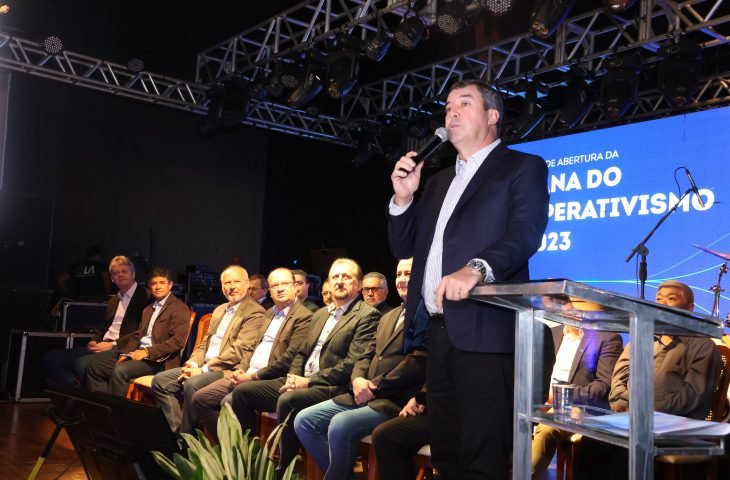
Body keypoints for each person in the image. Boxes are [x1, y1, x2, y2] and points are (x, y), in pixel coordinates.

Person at [388, 78, 549, 479]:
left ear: (492, 116)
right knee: (447, 458)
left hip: (486, 332)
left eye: (464, 104)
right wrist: (403, 198)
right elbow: (403, 245)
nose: (451, 113)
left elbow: (526, 233)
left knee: (482, 460)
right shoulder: (437, 181)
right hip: (438, 334)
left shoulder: (521, 167)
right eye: (447, 107)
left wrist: (477, 267)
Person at [229, 258, 380, 475]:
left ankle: (287, 470)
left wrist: (308, 381)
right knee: (243, 393)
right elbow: (301, 353)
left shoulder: (367, 315)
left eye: (346, 277)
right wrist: (293, 378)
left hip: (330, 386)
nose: (339, 281)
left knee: (288, 400)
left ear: (358, 284)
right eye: (335, 277)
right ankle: (249, 464)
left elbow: (352, 364)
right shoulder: (320, 314)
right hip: (301, 380)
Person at [574, 280, 722, 480]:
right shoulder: (642, 338)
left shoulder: (703, 346)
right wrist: (623, 403)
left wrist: (645, 412)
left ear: (689, 308)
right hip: (630, 418)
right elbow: (619, 376)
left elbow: (691, 396)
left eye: (671, 299)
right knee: (593, 440)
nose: (662, 303)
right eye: (659, 299)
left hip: (675, 425)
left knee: (628, 449)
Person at [294, 258, 424, 480]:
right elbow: (366, 355)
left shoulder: (428, 315)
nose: (402, 279)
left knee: (339, 424)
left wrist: (374, 386)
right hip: (362, 392)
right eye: (399, 274)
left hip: (394, 399)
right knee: (304, 420)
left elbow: (416, 362)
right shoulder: (389, 316)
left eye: (409, 274)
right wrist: (357, 380)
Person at [191, 267, 312, 439]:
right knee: (201, 398)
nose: (280, 289)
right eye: (275, 285)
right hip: (248, 374)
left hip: (272, 379)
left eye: (285, 284)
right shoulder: (269, 313)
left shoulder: (304, 317)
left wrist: (253, 376)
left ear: (294, 287)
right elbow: (252, 348)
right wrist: (241, 369)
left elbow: (289, 359)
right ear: (269, 291)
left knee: (229, 400)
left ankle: (245, 452)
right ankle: (225, 448)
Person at [150, 265, 265, 436]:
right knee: (160, 381)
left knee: (192, 384)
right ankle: (176, 434)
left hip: (225, 369)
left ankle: (188, 441)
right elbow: (205, 342)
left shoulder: (255, 312)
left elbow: (239, 350)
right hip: (203, 365)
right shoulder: (220, 309)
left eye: (236, 282)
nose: (232, 287)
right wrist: (192, 363)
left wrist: (203, 369)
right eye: (227, 283)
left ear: (247, 284)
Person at [531, 296, 623, 479]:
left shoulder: (607, 337)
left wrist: (561, 396)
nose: (569, 308)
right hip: (542, 401)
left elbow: (603, 386)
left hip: (579, 408)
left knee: (546, 429)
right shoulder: (553, 333)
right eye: (567, 304)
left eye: (576, 305)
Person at [43, 255, 150, 386]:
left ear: (133, 274)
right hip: (102, 345)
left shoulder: (145, 296)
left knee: (82, 364)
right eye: (116, 273)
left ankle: (86, 394)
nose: (120, 275)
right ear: (112, 278)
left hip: (122, 347)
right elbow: (104, 328)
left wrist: (112, 345)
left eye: (124, 271)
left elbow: (142, 331)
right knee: (52, 358)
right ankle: (75, 387)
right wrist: (94, 340)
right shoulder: (113, 300)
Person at [84, 267, 190, 396]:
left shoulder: (179, 308)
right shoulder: (148, 309)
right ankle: (103, 405)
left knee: (120, 371)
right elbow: (138, 335)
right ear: (149, 286)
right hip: (136, 353)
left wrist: (147, 352)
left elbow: (177, 341)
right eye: (153, 283)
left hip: (158, 360)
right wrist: (125, 353)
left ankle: (117, 407)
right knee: (95, 368)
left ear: (170, 285)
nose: (157, 287)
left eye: (162, 283)